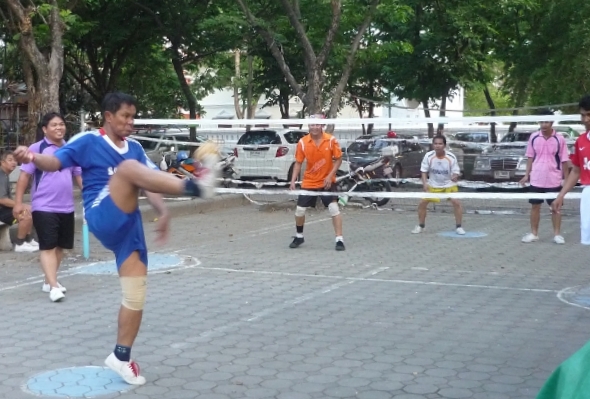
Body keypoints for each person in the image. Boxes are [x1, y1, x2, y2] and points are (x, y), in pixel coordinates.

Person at [13, 92, 219, 385]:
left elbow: (151, 182)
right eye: (125, 116)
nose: (130, 123)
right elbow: (53, 163)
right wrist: (32, 156)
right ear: (108, 116)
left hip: (129, 227)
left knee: (135, 297)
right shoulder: (87, 142)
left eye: (133, 117)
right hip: (102, 213)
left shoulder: (134, 147)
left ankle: (121, 357)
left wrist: (162, 211)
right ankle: (198, 187)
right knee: (127, 170)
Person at [14, 112, 83, 302]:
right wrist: (19, 203)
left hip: (67, 207)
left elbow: (79, 176)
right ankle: (53, 286)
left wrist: (92, 196)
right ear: (45, 129)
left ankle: (48, 280)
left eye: (61, 124)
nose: (59, 128)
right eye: (54, 125)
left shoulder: (71, 149)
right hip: (43, 206)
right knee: (47, 246)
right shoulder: (36, 149)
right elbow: (24, 177)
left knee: (61, 246)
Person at [289, 114, 345, 251]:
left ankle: (339, 239)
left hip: (327, 181)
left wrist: (330, 176)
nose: (314, 127)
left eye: (317, 124)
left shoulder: (331, 140)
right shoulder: (302, 142)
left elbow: (338, 160)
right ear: (309, 126)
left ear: (322, 126)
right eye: (312, 124)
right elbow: (298, 163)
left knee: (333, 209)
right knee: (300, 211)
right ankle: (299, 236)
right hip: (309, 181)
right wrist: (292, 181)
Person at [519, 109, 570, 244]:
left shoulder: (560, 139)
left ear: (552, 122)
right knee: (535, 206)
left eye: (546, 121)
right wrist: (526, 175)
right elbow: (530, 157)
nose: (544, 125)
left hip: (554, 179)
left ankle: (557, 235)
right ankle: (534, 234)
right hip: (537, 178)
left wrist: (566, 179)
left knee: (556, 207)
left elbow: (564, 160)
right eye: (541, 121)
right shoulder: (534, 137)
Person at [552, 95, 590, 244]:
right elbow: (576, 171)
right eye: (583, 115)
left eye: (589, 115)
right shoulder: (581, 141)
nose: (585, 119)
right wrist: (561, 195)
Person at [412, 135, 464, 235]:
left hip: (449, 184)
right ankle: (421, 226)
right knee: (422, 203)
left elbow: (457, 172)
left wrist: (455, 176)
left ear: (444, 145)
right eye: (435, 143)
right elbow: (423, 171)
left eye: (440, 144)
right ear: (433, 145)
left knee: (456, 202)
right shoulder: (428, 156)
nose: (437, 146)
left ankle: (459, 227)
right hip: (433, 185)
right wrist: (425, 184)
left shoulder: (451, 157)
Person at [0, 151, 39, 252]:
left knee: (28, 211)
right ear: (2, 162)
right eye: (10, 160)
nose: (13, 163)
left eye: (15, 160)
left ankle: (28, 240)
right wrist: (20, 205)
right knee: (24, 213)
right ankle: (19, 243)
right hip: (1, 210)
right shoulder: (1, 176)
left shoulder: (4, 175)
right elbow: (2, 200)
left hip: (3, 210)